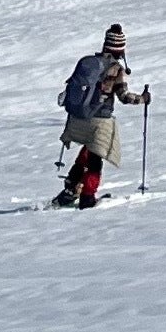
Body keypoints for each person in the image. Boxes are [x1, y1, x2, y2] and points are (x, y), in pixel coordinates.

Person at [54, 25, 149, 208]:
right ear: (120, 49)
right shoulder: (115, 69)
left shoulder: (91, 64)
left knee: (87, 153)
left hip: (79, 118)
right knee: (95, 159)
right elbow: (124, 97)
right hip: (100, 121)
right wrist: (143, 99)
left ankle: (71, 187)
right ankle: (88, 197)